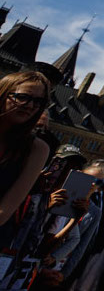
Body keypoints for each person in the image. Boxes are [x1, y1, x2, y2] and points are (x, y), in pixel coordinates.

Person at [0, 71, 52, 236]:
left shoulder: (37, 149)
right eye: (22, 97)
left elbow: (4, 210)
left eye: (38, 102)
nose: (30, 106)